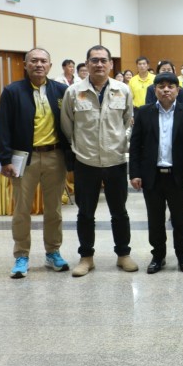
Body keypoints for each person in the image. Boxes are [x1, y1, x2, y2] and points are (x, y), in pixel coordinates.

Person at [61, 45, 136, 277]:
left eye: (104, 60)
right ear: (87, 64)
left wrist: (121, 142)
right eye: (94, 60)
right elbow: (67, 124)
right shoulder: (73, 92)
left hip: (115, 160)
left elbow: (128, 121)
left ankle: (123, 254)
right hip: (86, 162)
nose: (99, 64)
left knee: (119, 212)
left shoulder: (123, 90)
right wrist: (79, 146)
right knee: (85, 213)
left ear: (111, 64)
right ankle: (86, 257)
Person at [0, 48, 71, 279]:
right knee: (21, 210)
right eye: (34, 61)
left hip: (54, 156)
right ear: (25, 64)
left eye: (43, 61)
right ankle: (21, 255)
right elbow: (3, 127)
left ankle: (53, 252)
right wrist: (5, 159)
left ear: (50, 65)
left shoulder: (61, 91)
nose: (39, 64)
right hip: (23, 158)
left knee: (54, 209)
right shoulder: (12, 91)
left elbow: (71, 124)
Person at [129, 73, 183, 274]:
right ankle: (158, 255)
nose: (166, 90)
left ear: (178, 90)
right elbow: (135, 145)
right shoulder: (144, 112)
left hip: (179, 176)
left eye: (171, 86)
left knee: (181, 219)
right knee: (155, 219)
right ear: (155, 90)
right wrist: (134, 173)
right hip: (152, 175)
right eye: (161, 86)